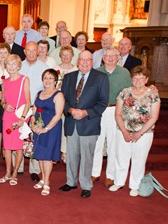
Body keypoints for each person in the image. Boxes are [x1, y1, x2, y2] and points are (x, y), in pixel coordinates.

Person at [59, 51, 109, 198]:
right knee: (71, 155)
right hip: (71, 122)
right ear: (78, 61)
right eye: (82, 60)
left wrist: (85, 112)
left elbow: (103, 103)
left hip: (89, 123)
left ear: (92, 61)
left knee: (87, 157)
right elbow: (63, 100)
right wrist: (70, 110)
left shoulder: (101, 78)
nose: (85, 63)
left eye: (88, 60)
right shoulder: (68, 77)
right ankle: (71, 182)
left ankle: (86, 185)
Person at [109, 66, 160, 197]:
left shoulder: (152, 94)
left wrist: (140, 133)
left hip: (144, 133)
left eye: (141, 78)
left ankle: (135, 185)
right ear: (131, 79)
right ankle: (119, 182)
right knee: (121, 157)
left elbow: (154, 117)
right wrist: (124, 131)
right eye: (135, 78)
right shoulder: (124, 92)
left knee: (139, 160)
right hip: (123, 130)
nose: (138, 81)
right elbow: (118, 114)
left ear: (146, 79)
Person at [91, 47, 132, 187]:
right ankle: (94, 173)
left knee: (113, 145)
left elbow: (128, 94)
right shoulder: (96, 72)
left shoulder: (124, 73)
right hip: (99, 110)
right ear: (103, 58)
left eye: (113, 56)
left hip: (116, 110)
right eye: (107, 56)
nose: (110, 58)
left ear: (118, 58)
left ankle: (110, 175)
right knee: (97, 142)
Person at [0, 54, 31, 186]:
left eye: (13, 64)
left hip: (20, 116)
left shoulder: (24, 80)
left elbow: (28, 101)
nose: (11, 67)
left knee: (18, 147)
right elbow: (2, 101)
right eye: (8, 64)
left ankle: (15, 172)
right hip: (7, 116)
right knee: (6, 147)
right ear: (5, 66)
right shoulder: (5, 81)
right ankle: (7, 172)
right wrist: (5, 105)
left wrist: (23, 118)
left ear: (18, 66)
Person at [30, 69, 64, 196]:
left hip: (51, 129)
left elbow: (58, 116)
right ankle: (43, 178)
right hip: (38, 128)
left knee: (47, 155)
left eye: (50, 78)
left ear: (55, 80)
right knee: (40, 154)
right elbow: (33, 113)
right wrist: (33, 125)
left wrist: (46, 129)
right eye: (45, 78)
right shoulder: (39, 93)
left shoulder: (58, 95)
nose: (48, 80)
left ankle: (47, 182)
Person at [19, 41, 49, 181]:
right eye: (28, 50)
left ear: (38, 52)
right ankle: (17, 166)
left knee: (36, 137)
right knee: (19, 135)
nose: (31, 53)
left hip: (38, 108)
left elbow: (48, 89)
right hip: (20, 108)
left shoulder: (45, 68)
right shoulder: (18, 66)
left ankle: (34, 169)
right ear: (24, 51)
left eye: (34, 50)